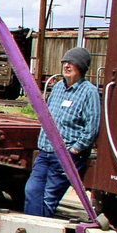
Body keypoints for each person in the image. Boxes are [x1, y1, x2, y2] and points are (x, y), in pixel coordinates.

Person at [24, 46, 100, 217]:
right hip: (45, 152)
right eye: (65, 62)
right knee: (32, 191)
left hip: (67, 155)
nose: (66, 65)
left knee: (48, 198)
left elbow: (92, 127)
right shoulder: (58, 87)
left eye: (71, 63)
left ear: (81, 67)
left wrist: (74, 150)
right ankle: (33, 230)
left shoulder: (89, 92)